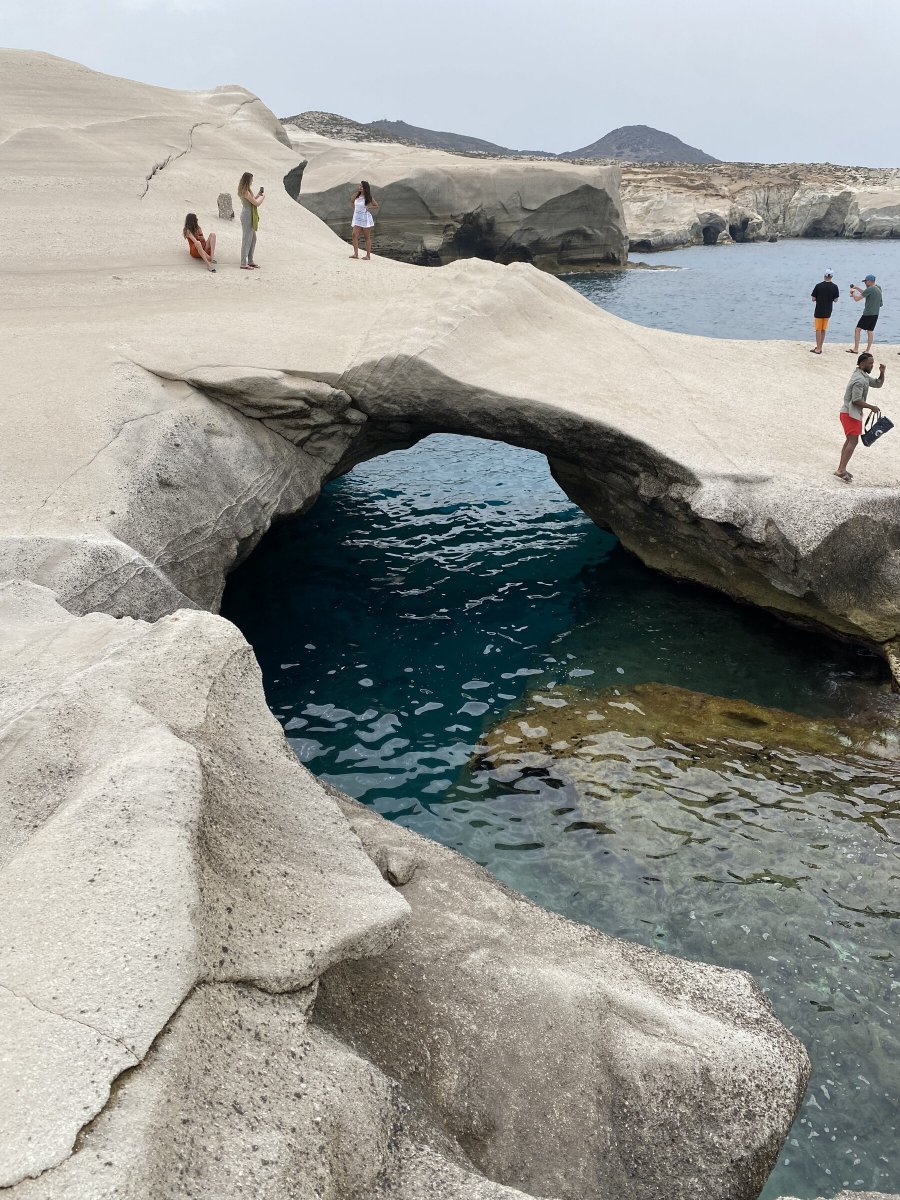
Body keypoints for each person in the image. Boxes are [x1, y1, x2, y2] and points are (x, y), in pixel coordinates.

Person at [835, 352, 885, 482]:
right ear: (862, 364)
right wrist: (871, 407)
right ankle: (841, 470)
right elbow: (856, 400)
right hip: (850, 414)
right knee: (853, 441)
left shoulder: (862, 375)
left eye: (872, 363)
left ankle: (841, 468)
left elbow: (878, 383)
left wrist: (882, 372)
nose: (872, 365)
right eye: (870, 363)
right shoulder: (859, 380)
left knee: (849, 441)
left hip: (851, 413)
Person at [847, 273, 883, 354]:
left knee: (857, 329)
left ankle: (856, 349)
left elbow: (857, 299)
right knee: (870, 331)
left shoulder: (870, 289)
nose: (865, 283)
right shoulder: (878, 288)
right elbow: (867, 293)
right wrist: (856, 288)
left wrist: (853, 293)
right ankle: (867, 350)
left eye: (865, 282)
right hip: (876, 313)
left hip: (868, 313)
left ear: (870, 281)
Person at [237, 172, 264, 270]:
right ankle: (243, 263)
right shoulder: (245, 191)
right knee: (246, 239)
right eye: (251, 180)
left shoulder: (247, 191)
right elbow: (256, 204)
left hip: (249, 214)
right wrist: (262, 197)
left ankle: (250, 260)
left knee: (253, 239)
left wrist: (257, 195)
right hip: (247, 215)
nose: (252, 181)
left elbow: (252, 201)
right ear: (248, 180)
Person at [809, 269, 839, 353]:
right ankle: (820, 347)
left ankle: (818, 348)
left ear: (824, 275)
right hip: (828, 311)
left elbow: (813, 298)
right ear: (832, 276)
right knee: (823, 329)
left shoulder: (818, 286)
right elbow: (836, 300)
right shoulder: (835, 286)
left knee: (818, 329)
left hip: (819, 310)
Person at [349, 180, 378, 260]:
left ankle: (368, 256)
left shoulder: (368, 197)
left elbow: (376, 205)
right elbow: (352, 201)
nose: (360, 187)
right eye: (359, 186)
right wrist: (356, 208)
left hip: (365, 218)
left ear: (365, 188)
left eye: (362, 186)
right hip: (357, 218)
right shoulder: (356, 196)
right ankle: (356, 254)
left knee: (367, 237)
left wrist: (369, 207)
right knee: (354, 235)